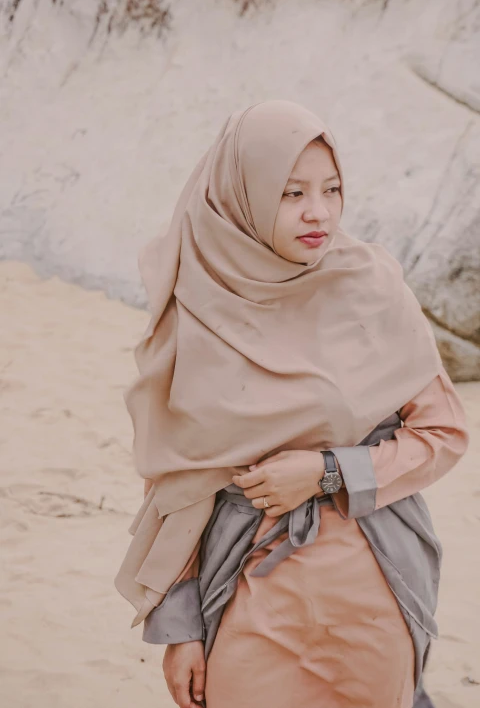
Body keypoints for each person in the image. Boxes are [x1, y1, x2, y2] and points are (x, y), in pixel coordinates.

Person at [115, 100, 469, 708]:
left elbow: (442, 434)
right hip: (245, 590)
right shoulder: (198, 301)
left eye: (332, 189)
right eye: (291, 192)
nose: (319, 212)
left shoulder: (371, 287)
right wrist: (180, 629)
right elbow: (177, 482)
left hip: (370, 588)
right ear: (243, 196)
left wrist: (328, 471)